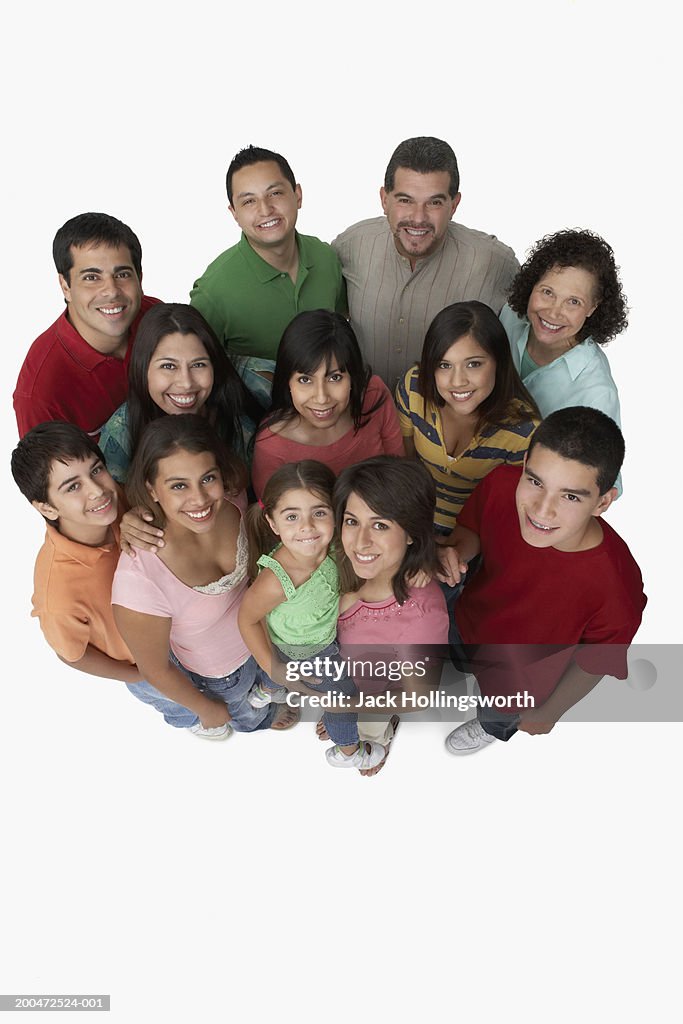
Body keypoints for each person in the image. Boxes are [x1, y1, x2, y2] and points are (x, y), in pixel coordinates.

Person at [441, 407, 646, 754]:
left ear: (603, 501)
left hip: (522, 675)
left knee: (500, 710)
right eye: (535, 481)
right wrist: (458, 552)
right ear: (523, 466)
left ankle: (491, 727)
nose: (541, 509)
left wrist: (551, 711)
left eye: (570, 496)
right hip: (469, 619)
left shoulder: (618, 586)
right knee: (457, 655)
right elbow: (471, 528)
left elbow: (596, 661)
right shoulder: (502, 483)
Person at [111, 415, 299, 738]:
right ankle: (256, 721)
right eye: (179, 486)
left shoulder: (234, 499)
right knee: (247, 714)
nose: (199, 499)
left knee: (266, 686)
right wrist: (206, 709)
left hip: (264, 637)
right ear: (151, 490)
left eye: (207, 478)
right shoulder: (139, 579)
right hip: (222, 674)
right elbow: (154, 670)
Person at [332, 137, 519, 387]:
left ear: (454, 204)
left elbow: (533, 332)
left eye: (434, 202)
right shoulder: (352, 245)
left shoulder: (494, 262)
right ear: (384, 199)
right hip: (363, 416)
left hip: (448, 421)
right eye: (405, 200)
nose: (418, 218)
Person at [238, 461, 385, 770]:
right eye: (292, 517)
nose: (306, 527)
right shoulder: (277, 578)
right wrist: (272, 666)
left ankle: (268, 689)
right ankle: (349, 752)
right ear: (273, 523)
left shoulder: (336, 545)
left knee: (281, 668)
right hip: (314, 651)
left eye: (319, 512)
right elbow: (247, 619)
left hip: (303, 638)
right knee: (342, 700)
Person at [190, 145, 347, 407]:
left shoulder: (326, 257)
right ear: (234, 213)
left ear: (297, 195)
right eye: (249, 201)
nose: (265, 209)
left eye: (275, 193)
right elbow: (199, 378)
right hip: (257, 423)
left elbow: (340, 327)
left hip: (328, 409)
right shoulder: (213, 291)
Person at [333, 457, 450, 776]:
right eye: (352, 521)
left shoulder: (420, 616)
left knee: (369, 730)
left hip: (378, 694)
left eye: (380, 525)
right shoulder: (340, 563)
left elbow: (417, 697)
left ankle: (377, 743)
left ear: (412, 532)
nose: (360, 542)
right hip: (344, 681)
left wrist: (347, 708)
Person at [11, 422, 142, 686]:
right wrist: (143, 677)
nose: (97, 490)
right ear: (47, 509)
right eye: (72, 487)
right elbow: (73, 656)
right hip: (145, 665)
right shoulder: (57, 594)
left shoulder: (111, 498)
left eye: (96, 470)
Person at [396, 300, 540, 533]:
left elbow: (504, 507)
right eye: (444, 365)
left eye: (473, 364)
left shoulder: (523, 431)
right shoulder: (415, 387)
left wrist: (456, 548)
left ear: (499, 362)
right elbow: (406, 461)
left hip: (474, 535)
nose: (457, 381)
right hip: (412, 521)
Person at [14, 212, 159, 438]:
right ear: (65, 286)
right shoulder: (41, 393)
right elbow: (48, 473)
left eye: (122, 274)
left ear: (140, 278)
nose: (111, 291)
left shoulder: (156, 317)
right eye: (92, 277)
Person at [98, 303, 260, 482]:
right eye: (168, 366)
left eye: (198, 365)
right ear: (142, 369)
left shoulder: (249, 384)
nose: (186, 383)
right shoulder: (121, 433)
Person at [251, 310, 404, 498]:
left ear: (353, 377)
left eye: (335, 377)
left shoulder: (375, 396)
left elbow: (398, 477)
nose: (322, 398)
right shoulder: (273, 446)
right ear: (287, 382)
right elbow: (273, 520)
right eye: (305, 380)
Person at [499, 229, 628, 423]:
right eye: (547, 292)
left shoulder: (597, 397)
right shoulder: (508, 316)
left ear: (593, 307)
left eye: (573, 302)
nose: (553, 312)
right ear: (533, 284)